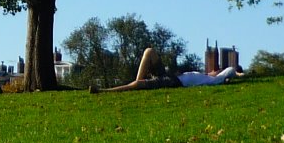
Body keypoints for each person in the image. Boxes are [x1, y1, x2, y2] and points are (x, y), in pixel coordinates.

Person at [91, 47, 242, 93]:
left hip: (174, 82)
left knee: (139, 85)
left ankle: (103, 91)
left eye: (217, 70)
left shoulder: (216, 79)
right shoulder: (204, 76)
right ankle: (137, 80)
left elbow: (230, 70)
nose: (214, 70)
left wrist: (238, 73)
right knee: (149, 51)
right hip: (171, 76)